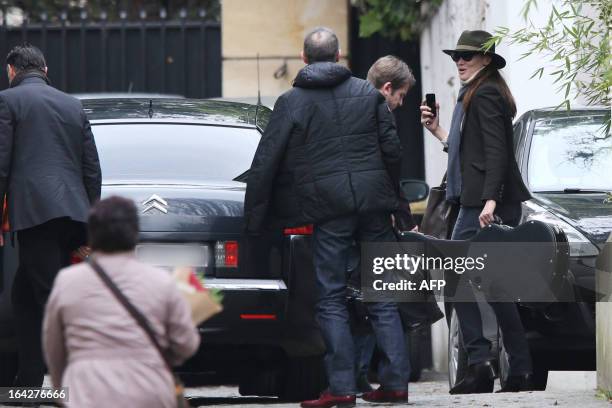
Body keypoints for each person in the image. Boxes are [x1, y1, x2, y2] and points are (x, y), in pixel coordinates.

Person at [244, 27, 409, 407]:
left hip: (328, 211)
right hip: (373, 207)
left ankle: (341, 388)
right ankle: (396, 384)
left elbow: (266, 161)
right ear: (339, 57)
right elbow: (393, 150)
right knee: (383, 294)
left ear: (303, 59)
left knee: (331, 298)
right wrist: (390, 196)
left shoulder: (291, 102)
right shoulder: (368, 94)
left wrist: (255, 220)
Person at [420, 30, 534, 393]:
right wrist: (438, 130)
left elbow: (499, 151)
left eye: (468, 56)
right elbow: (472, 152)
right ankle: (519, 368)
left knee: (455, 279)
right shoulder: (475, 92)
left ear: (486, 60)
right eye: (456, 56)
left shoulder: (484, 93)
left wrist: (490, 201)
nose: (460, 61)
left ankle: (480, 362)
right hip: (484, 202)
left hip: (483, 206)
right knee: (496, 285)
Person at [0, 43, 102, 387]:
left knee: (50, 298)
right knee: (24, 296)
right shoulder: (72, 105)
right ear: (44, 71)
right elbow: (92, 170)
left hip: (35, 214)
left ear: (12, 71)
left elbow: (1, 165)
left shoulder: (7, 100)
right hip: (71, 215)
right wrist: (89, 228)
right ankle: (28, 380)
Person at [43, 196, 200, 407]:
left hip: (86, 392)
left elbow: (54, 347)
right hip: (149, 391)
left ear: (92, 235)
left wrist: (62, 388)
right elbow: (186, 344)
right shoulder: (161, 281)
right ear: (135, 234)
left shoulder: (67, 281)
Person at [351, 55, 417, 394]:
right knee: (382, 296)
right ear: (387, 88)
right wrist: (400, 212)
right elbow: (391, 161)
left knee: (347, 297)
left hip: (342, 214)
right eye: (401, 96)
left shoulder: (345, 105)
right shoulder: (380, 113)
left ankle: (351, 377)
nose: (400, 103)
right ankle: (393, 381)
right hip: (376, 215)